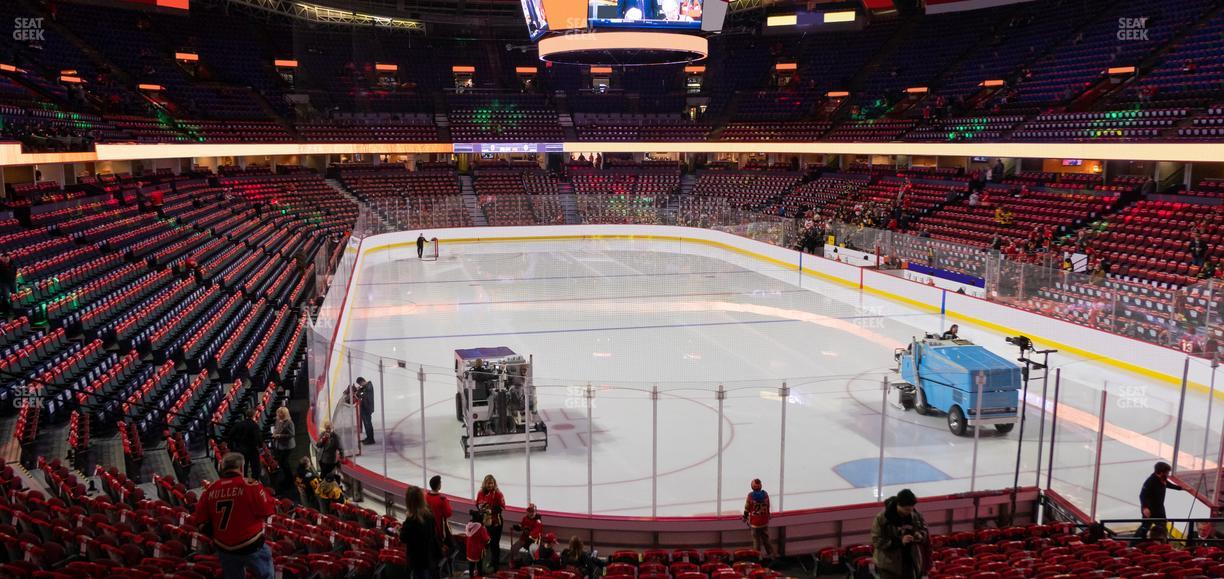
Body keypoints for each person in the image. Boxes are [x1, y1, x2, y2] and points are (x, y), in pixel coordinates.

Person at [193, 453, 276, 579]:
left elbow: (199, 520)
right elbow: (268, 510)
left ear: (222, 468)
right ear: (242, 468)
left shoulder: (210, 490)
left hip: (224, 547)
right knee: (266, 574)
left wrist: (216, 534)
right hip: (250, 544)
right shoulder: (251, 485)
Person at [871, 489, 929, 579]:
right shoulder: (882, 518)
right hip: (889, 566)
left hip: (910, 562)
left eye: (911, 509)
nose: (909, 512)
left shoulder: (916, 515)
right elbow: (876, 541)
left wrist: (920, 535)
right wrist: (899, 541)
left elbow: (924, 530)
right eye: (906, 509)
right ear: (898, 505)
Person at [400, 486, 443, 579]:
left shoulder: (411, 521)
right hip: (429, 557)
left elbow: (403, 538)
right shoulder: (429, 515)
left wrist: (403, 526)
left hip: (418, 561)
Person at [1137, 461, 1183, 540]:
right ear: (1161, 473)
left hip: (1159, 509)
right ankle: (1135, 544)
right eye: (1167, 473)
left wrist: (1181, 488)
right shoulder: (1150, 481)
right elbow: (1142, 495)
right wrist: (1145, 507)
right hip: (1149, 509)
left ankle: (1162, 543)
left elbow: (1168, 484)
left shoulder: (1162, 479)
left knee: (1162, 528)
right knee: (1144, 529)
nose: (1168, 475)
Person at [476, 474, 507, 570]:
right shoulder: (481, 492)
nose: (490, 485)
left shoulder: (498, 493)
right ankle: (487, 562)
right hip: (485, 521)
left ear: (494, 483)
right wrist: (482, 508)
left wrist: (490, 509)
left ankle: (495, 564)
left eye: (492, 483)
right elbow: (477, 504)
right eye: (488, 483)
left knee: (494, 543)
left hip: (496, 522)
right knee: (486, 543)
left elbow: (502, 507)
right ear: (485, 484)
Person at [226, 407, 264, 482]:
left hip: (240, 449)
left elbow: (230, 435)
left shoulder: (239, 424)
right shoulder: (254, 425)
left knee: (243, 467)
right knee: (255, 467)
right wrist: (260, 446)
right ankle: (255, 482)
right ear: (254, 415)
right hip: (252, 449)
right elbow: (258, 438)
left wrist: (231, 447)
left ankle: (243, 481)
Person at [425, 475, 456, 565]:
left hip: (429, 529)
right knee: (450, 546)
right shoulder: (442, 499)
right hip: (440, 529)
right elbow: (448, 513)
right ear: (438, 485)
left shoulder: (426, 497)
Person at [743, 479, 775, 560]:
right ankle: (772, 555)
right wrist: (768, 515)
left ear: (752, 487)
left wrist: (745, 517)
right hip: (764, 521)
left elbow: (747, 508)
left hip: (755, 523)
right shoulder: (765, 494)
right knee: (766, 539)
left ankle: (757, 557)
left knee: (756, 540)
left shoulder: (750, 496)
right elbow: (768, 506)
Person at [270, 407, 295, 496]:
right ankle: (287, 479)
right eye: (278, 413)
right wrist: (274, 433)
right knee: (282, 463)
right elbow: (276, 428)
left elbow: (292, 434)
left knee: (284, 463)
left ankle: (290, 480)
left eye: (280, 413)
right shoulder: (278, 420)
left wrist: (279, 436)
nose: (278, 415)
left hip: (287, 446)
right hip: (279, 445)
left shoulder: (289, 422)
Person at [509, 503, 544, 568]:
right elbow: (521, 526)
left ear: (535, 512)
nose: (530, 513)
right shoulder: (525, 518)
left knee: (530, 555)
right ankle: (518, 562)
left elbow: (535, 532)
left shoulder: (537, 521)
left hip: (534, 541)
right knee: (514, 548)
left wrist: (530, 538)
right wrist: (517, 527)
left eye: (532, 511)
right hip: (524, 539)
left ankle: (529, 566)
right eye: (529, 511)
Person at [465, 509, 491, 577]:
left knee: (471, 565)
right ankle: (480, 576)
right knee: (479, 564)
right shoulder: (481, 528)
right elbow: (486, 539)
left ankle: (471, 576)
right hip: (478, 550)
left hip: (469, 549)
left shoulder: (468, 526)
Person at [354, 377, 377, 445]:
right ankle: (369, 437)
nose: (360, 385)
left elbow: (363, 395)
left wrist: (358, 393)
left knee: (368, 424)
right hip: (365, 408)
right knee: (366, 424)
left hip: (367, 408)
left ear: (362, 381)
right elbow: (362, 392)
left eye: (360, 384)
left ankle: (371, 439)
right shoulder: (366, 387)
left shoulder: (368, 387)